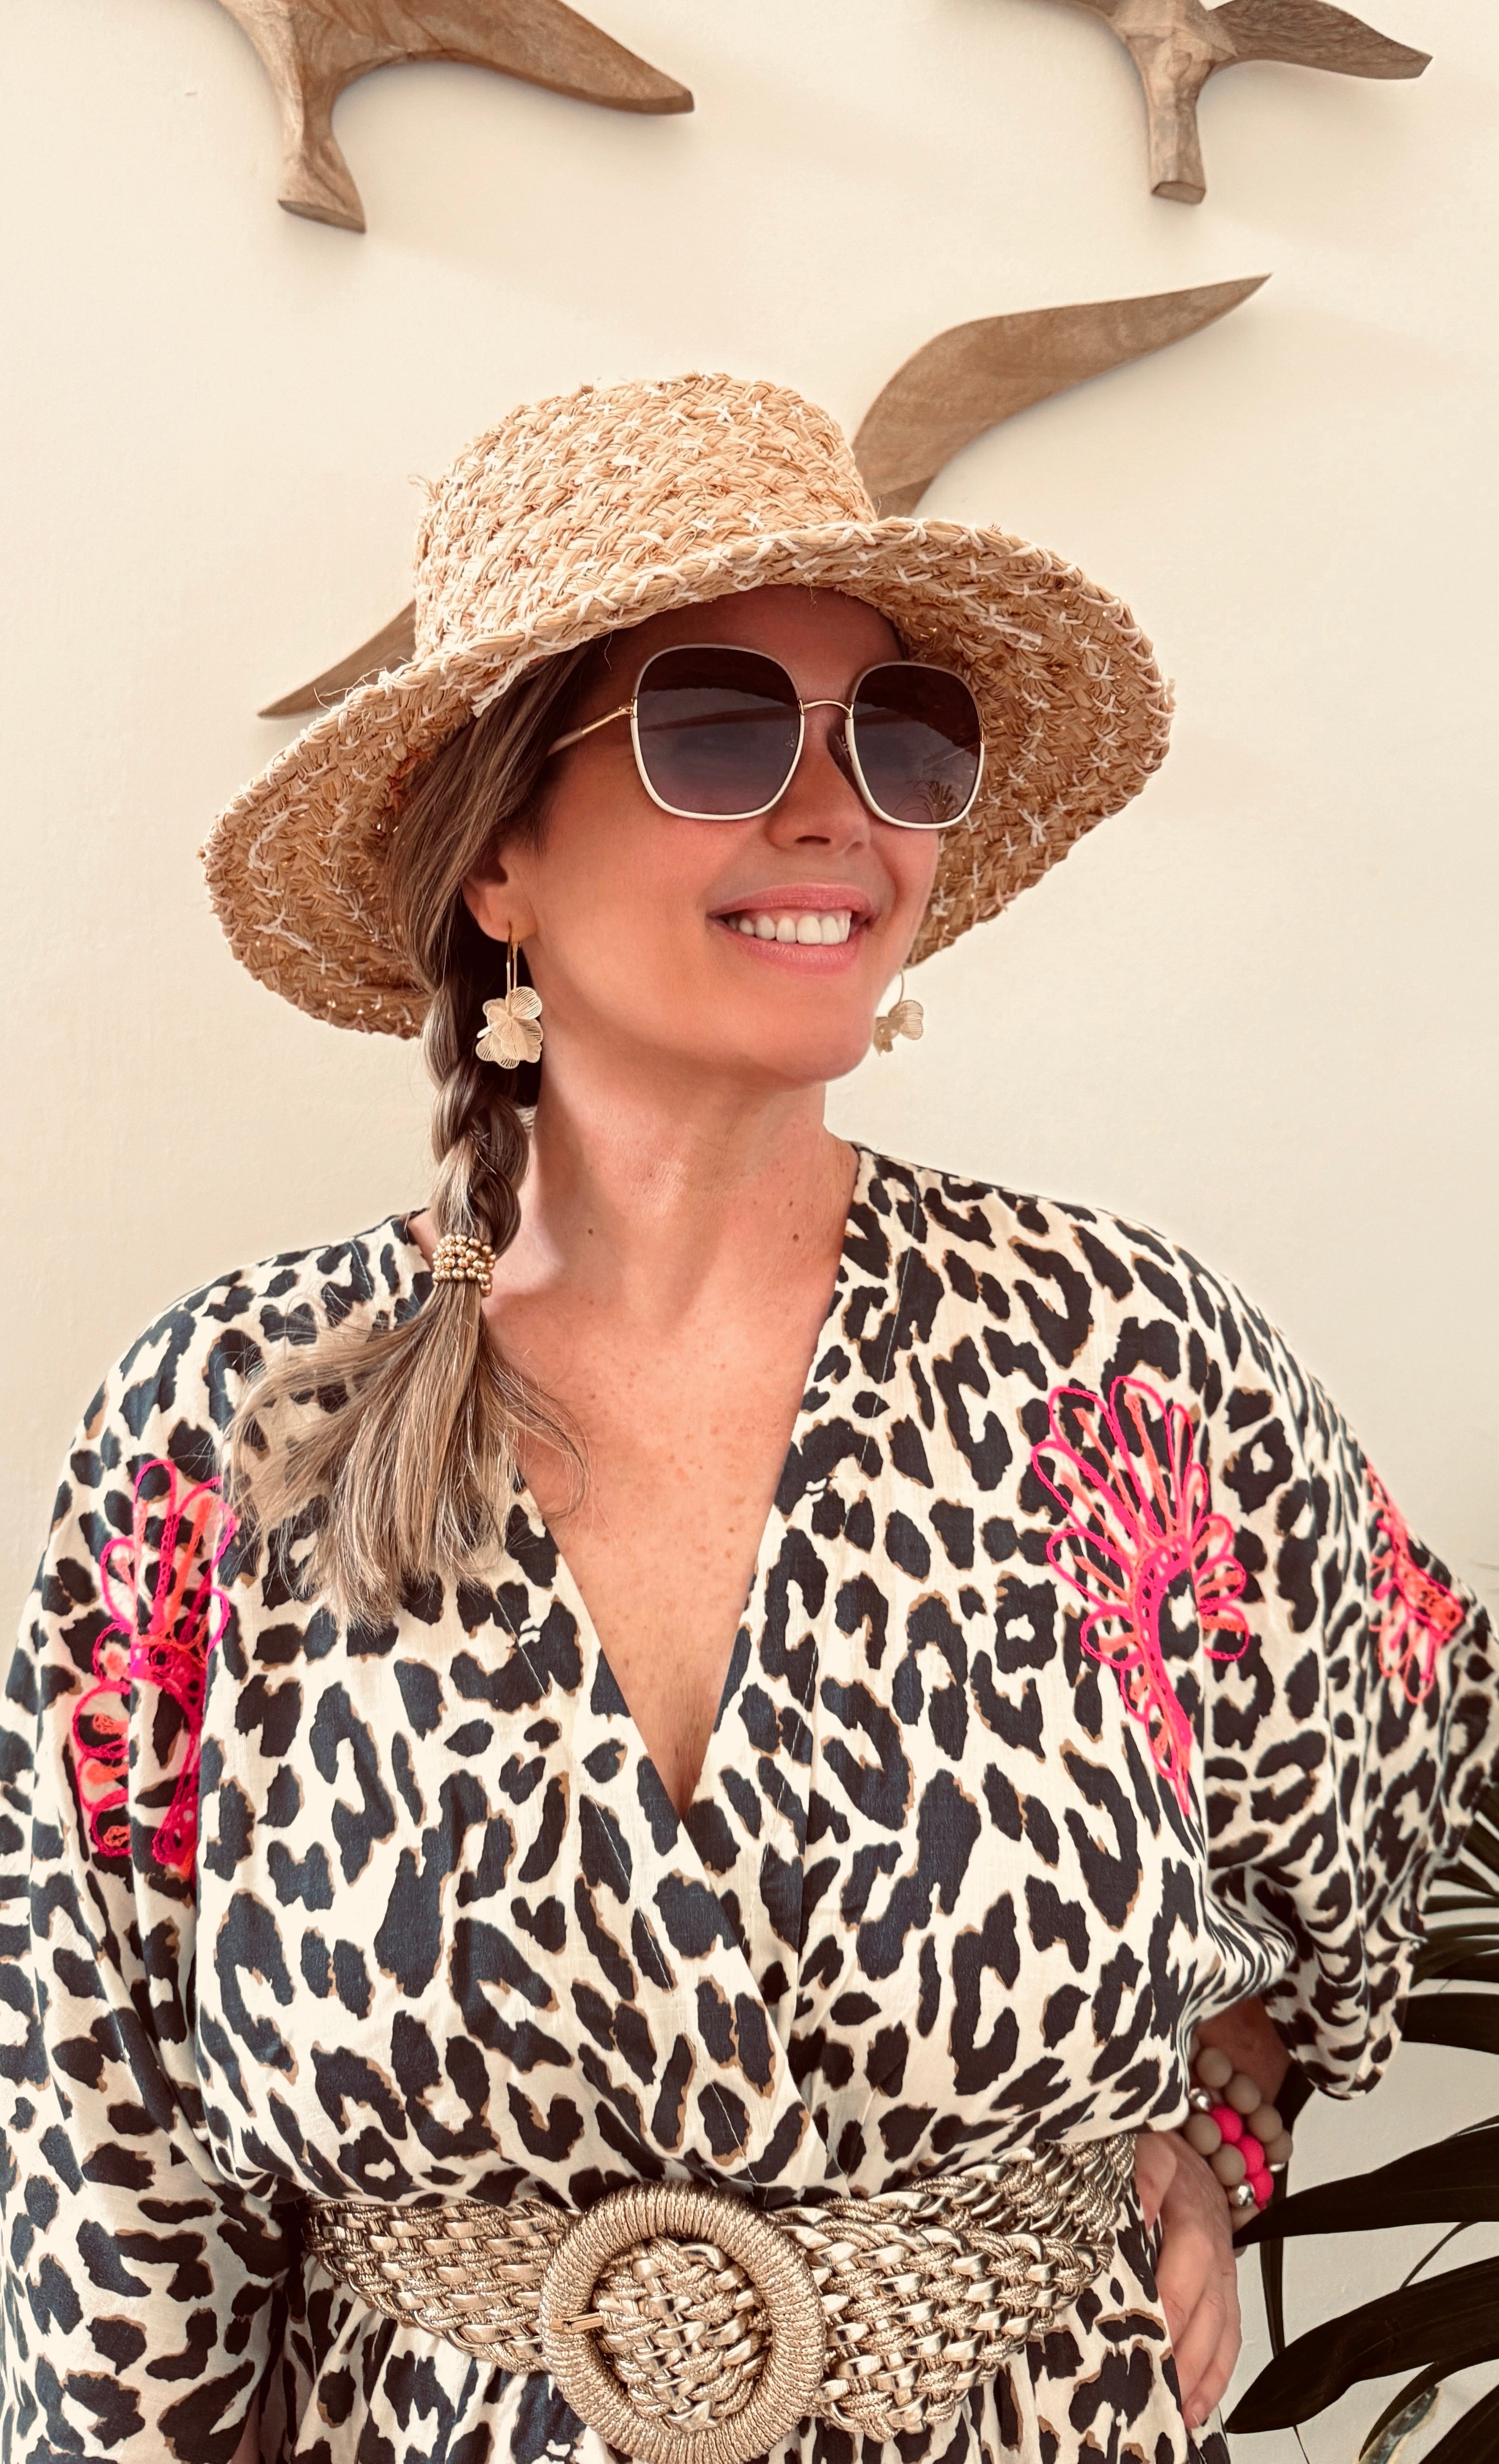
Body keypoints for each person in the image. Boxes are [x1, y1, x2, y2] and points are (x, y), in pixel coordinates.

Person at [0, 375, 1492, 2464]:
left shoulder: (1126, 1366)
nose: (837, 812)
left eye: (903, 739)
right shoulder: (234, 1426)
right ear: (497, 859)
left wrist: (1217, 2132)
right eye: (717, 729)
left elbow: (1396, 1775)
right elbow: (109, 2150)